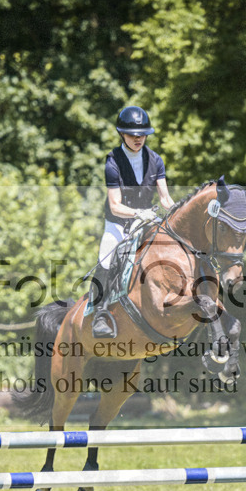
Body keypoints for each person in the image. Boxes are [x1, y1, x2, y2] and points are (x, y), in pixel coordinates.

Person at [90, 106, 174, 338]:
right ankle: (100, 314)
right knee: (106, 256)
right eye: (132, 135)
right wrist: (138, 214)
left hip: (146, 221)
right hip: (118, 223)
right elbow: (115, 205)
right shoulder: (113, 162)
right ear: (122, 134)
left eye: (142, 135)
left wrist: (178, 211)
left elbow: (165, 198)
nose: (138, 139)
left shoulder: (155, 160)